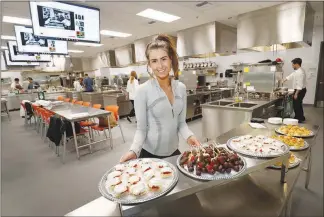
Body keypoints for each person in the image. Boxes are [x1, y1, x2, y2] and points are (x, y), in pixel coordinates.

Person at [120, 34, 200, 163]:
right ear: (149, 64)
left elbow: (181, 123)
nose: (160, 65)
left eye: (164, 59)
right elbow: (141, 129)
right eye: (154, 61)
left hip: (174, 152)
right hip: (150, 155)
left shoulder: (181, 88)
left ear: (171, 59)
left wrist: (190, 137)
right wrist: (133, 151)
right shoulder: (143, 91)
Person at [282, 58, 307, 123]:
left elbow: (300, 84)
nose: (292, 66)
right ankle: (301, 117)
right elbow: (292, 75)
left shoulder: (300, 73)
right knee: (299, 104)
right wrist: (284, 80)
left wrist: (296, 93)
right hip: (301, 90)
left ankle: (298, 119)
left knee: (296, 105)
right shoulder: (299, 70)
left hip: (299, 90)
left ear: (296, 64)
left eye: (292, 64)